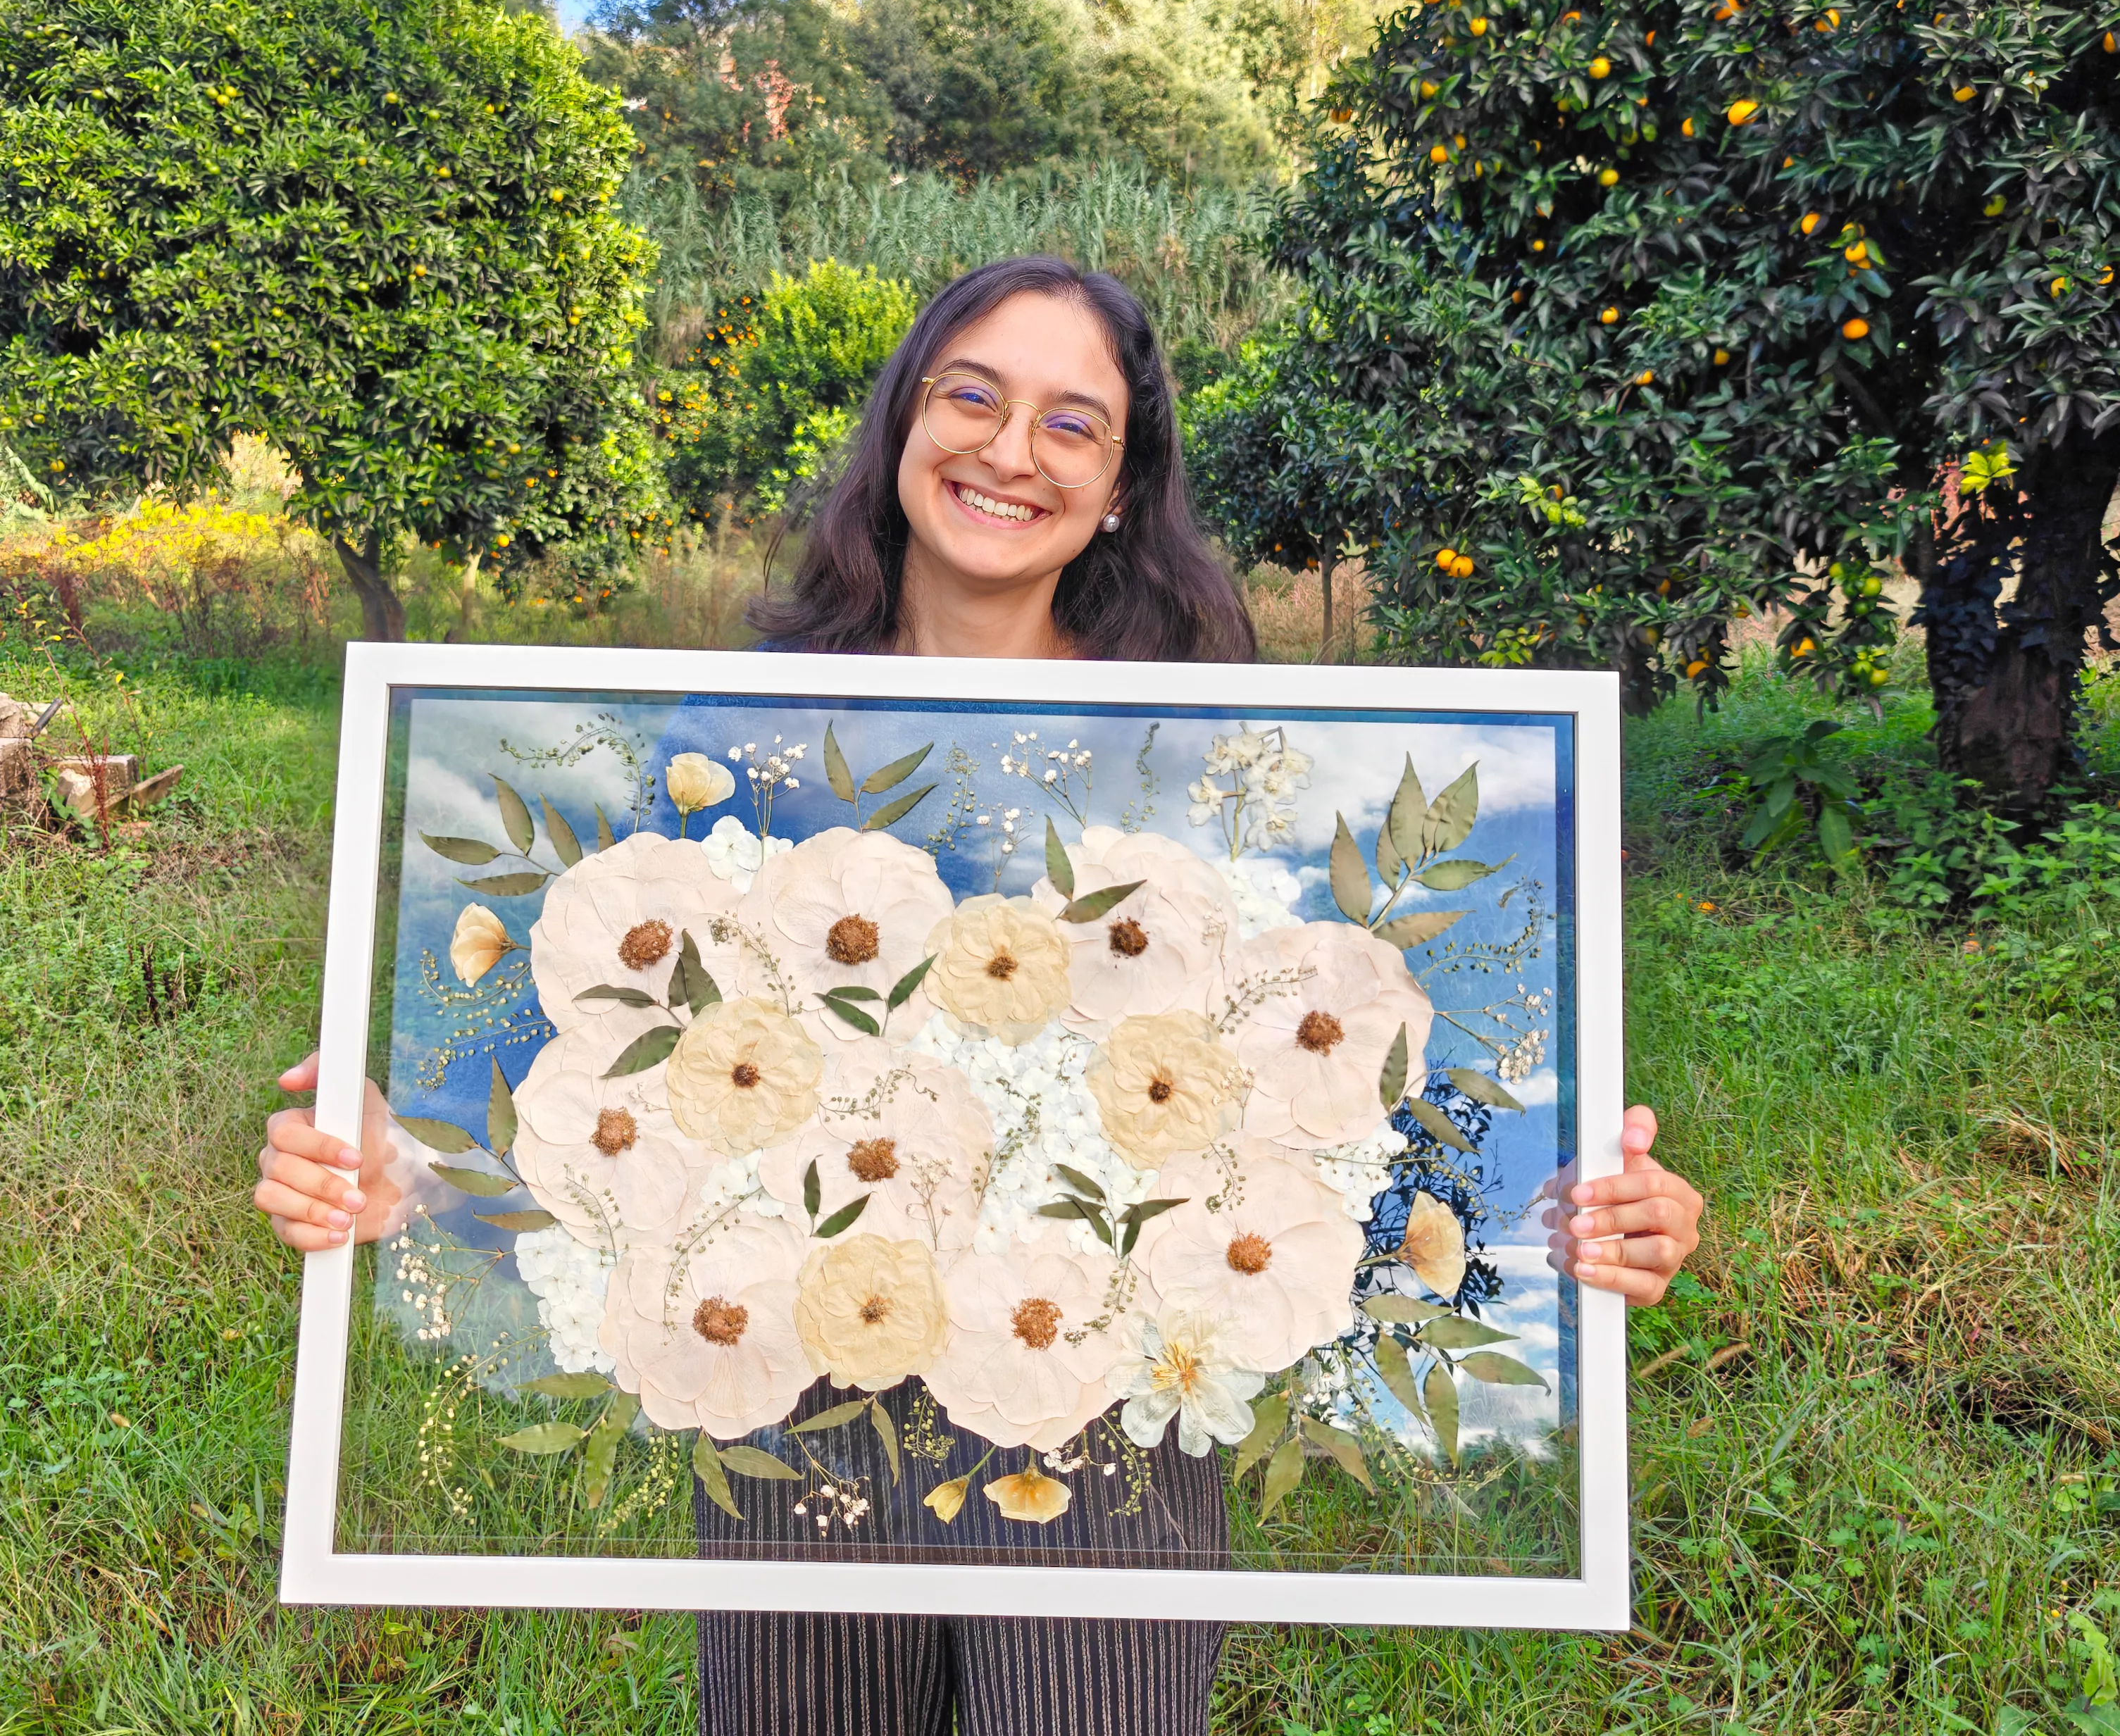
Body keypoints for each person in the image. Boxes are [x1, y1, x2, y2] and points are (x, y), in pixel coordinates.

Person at [256, 254, 1705, 1735]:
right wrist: (396, 1167)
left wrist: (1576, 1209)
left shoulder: (1202, 751)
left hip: (1100, 1424)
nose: (1010, 452)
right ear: (901, 427)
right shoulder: (739, 740)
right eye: (972, 397)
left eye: (1070, 424)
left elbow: (1374, 1091)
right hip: (787, 1392)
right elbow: (583, 1059)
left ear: (1124, 487)